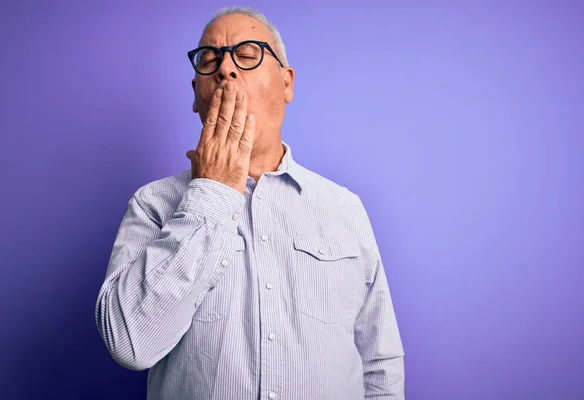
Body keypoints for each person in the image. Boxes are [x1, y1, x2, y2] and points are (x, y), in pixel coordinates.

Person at [95, 6, 405, 400]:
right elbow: (129, 343)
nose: (225, 69)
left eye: (246, 55)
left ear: (286, 83)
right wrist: (213, 193)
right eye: (210, 61)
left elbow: (379, 363)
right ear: (196, 96)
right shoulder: (152, 204)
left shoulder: (344, 208)